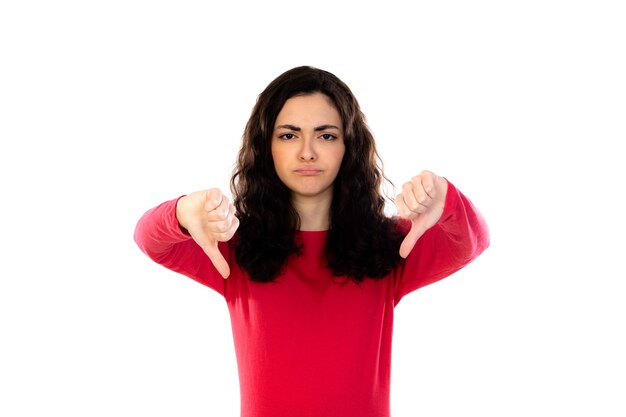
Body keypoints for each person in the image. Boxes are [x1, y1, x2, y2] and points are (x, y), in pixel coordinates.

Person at [134, 65, 490, 417]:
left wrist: (445, 197)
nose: (307, 152)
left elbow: (473, 241)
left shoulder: (389, 246)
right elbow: (149, 240)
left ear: (348, 146)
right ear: (266, 146)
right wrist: (180, 212)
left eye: (326, 135)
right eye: (289, 135)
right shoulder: (232, 248)